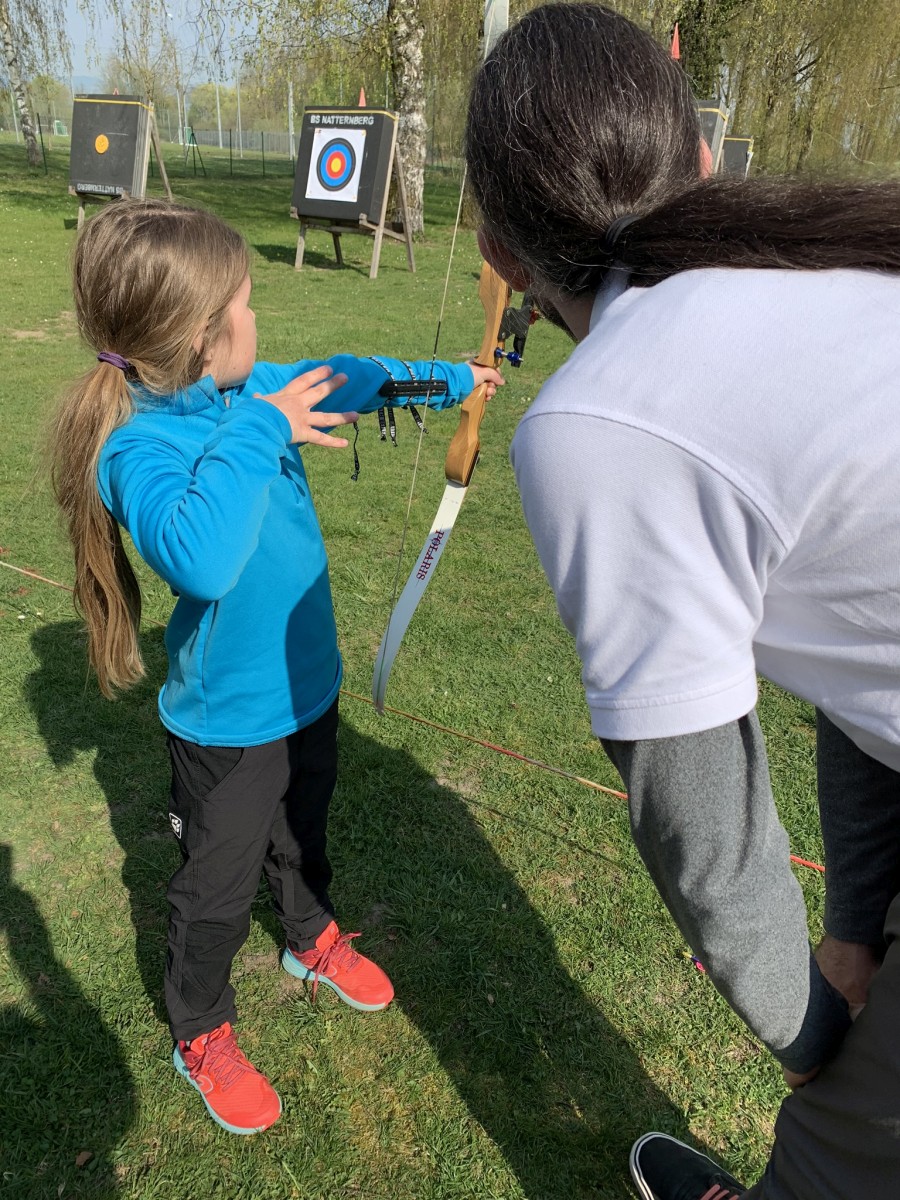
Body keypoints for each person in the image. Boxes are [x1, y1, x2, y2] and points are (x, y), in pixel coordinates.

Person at [464, 4, 900, 1198]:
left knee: (831, 1168)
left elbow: (700, 826)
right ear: (704, 157)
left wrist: (811, 1040)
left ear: (502, 256)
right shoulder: (833, 262)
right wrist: (854, 926)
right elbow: (869, 649)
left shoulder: (599, 422)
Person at [50, 197, 502, 1136]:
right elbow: (203, 559)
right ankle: (199, 1029)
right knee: (213, 892)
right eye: (246, 305)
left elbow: (354, 377)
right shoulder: (137, 449)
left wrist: (453, 379)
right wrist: (261, 431)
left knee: (304, 828)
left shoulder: (250, 392)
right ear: (200, 336)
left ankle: (309, 936)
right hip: (227, 725)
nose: (259, 319)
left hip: (307, 688)